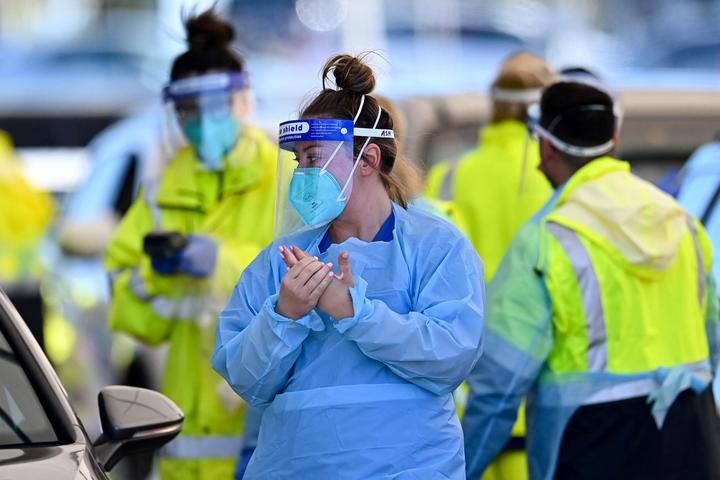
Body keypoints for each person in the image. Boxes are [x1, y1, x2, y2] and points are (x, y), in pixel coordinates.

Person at [211, 53, 485, 478]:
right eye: (298, 161)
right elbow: (246, 379)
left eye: (314, 158)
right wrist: (284, 316)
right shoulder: (278, 262)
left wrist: (354, 312)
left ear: (369, 160)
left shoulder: (436, 247)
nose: (303, 173)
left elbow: (451, 357)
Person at [462, 81, 720, 480]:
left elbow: (499, 383)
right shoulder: (682, 222)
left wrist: (461, 467)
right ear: (614, 139)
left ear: (545, 148)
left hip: (590, 443)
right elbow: (712, 337)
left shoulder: (547, 238)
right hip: (691, 435)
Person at [104, 9, 275, 480]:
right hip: (185, 446)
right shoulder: (163, 191)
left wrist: (222, 261)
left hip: (262, 437)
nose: (199, 123)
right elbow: (128, 309)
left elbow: (309, 278)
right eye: (187, 112)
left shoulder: (283, 179)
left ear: (243, 102)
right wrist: (156, 275)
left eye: (212, 108)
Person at [424, 51, 554, 282]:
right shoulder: (560, 171)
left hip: (470, 315)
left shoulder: (447, 176)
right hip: (546, 314)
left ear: (495, 103)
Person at [0, 130, 54, 350]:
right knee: (32, 357)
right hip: (30, 285)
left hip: (4, 287)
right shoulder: (25, 185)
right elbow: (47, 214)